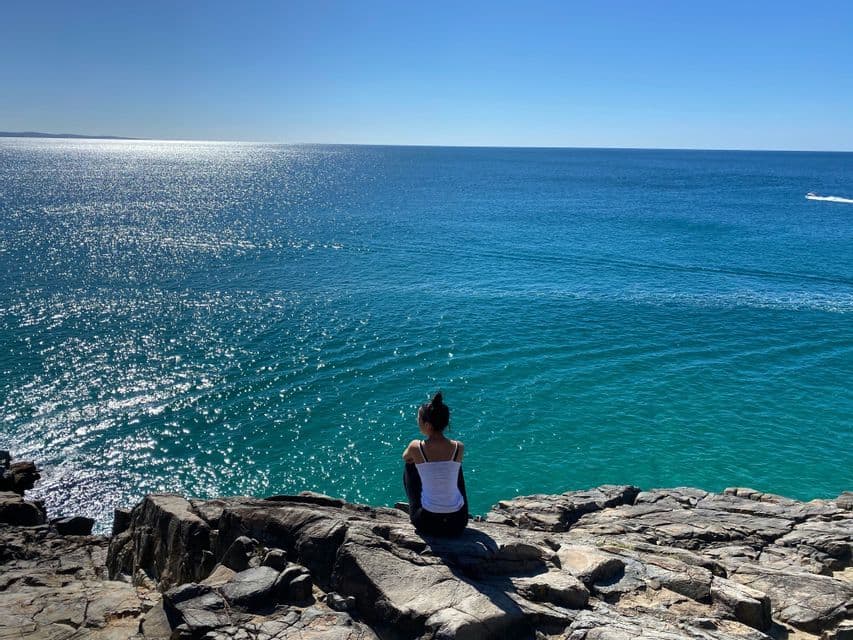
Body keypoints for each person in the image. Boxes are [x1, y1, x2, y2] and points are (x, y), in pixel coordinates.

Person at [402, 391, 468, 536]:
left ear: (427, 425)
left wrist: (422, 459)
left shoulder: (415, 446)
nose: (417, 421)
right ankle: (452, 506)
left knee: (410, 464)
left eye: (418, 419)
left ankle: (419, 505)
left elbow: (405, 457)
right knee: (455, 466)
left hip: (427, 524)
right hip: (458, 524)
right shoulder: (459, 447)